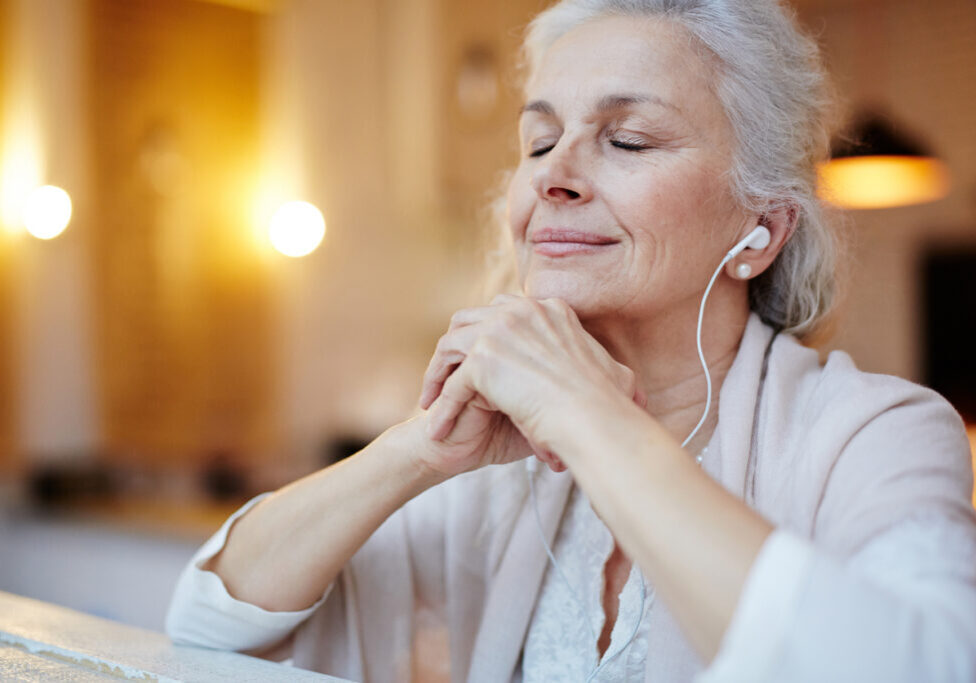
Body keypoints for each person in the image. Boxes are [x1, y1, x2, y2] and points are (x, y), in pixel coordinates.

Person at [166, 1, 976, 681]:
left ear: (759, 229)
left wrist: (591, 416)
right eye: (538, 142)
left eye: (627, 141)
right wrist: (418, 449)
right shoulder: (500, 472)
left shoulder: (880, 432)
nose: (555, 175)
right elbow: (208, 621)